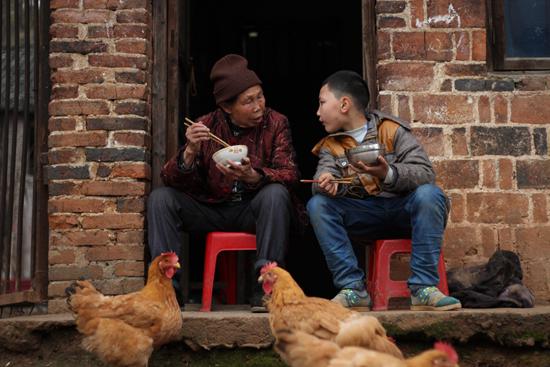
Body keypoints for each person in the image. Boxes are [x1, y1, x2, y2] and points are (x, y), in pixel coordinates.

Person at [148, 54, 301, 312]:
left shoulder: (276, 123)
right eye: (248, 101)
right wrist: (190, 150)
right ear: (227, 107)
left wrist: (254, 176)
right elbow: (171, 178)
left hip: (253, 209)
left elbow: (290, 174)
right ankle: (166, 291)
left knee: (276, 194)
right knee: (160, 199)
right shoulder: (206, 126)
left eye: (260, 96)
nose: (258, 106)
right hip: (211, 208)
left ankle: (267, 287)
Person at [306, 70, 461, 311]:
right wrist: (329, 185)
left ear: (344, 104)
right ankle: (353, 290)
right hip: (365, 217)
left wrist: (386, 174)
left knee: (430, 194)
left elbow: (424, 172)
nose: (318, 112)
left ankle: (423, 289)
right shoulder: (331, 146)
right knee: (317, 205)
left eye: (322, 103)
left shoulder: (391, 131)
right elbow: (321, 181)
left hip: (404, 212)